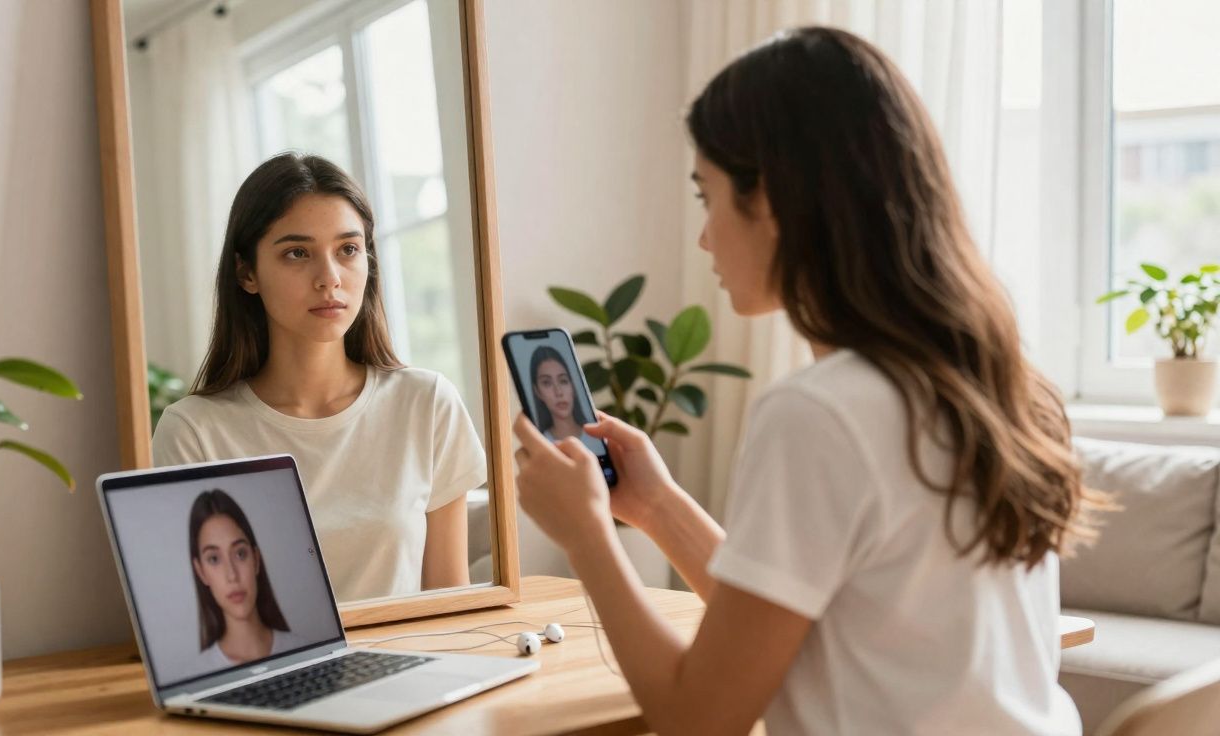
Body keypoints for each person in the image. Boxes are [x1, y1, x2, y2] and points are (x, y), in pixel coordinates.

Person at [511, 27, 1099, 735]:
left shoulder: (820, 412)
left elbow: (698, 717)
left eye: (709, 197)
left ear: (777, 202)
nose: (704, 238)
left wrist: (585, 538)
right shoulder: (998, 385)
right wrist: (659, 507)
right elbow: (800, 619)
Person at [154, 153, 485, 601]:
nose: (329, 279)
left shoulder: (426, 404)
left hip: (412, 664)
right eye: (297, 253)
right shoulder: (195, 432)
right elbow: (201, 622)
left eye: (348, 249)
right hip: (273, 673)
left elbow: (450, 598)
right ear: (246, 272)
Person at [189, 489, 308, 667]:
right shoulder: (196, 676)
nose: (232, 575)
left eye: (240, 554)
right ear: (201, 572)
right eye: (214, 559)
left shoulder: (306, 652)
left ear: (256, 560)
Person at [528, 345, 606, 455]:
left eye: (563, 381)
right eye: (546, 383)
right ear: (537, 391)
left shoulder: (598, 436)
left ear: (573, 386)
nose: (558, 392)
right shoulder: (540, 445)